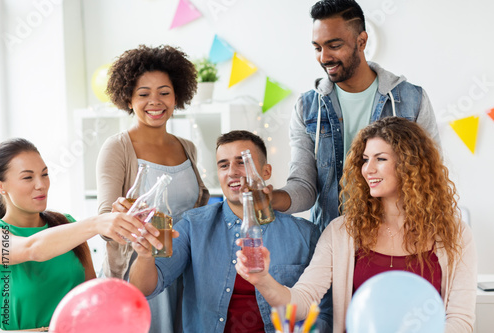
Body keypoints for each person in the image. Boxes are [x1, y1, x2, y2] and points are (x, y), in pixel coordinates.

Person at [236, 117, 477, 333]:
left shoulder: (454, 233)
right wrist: (263, 280)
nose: (368, 169)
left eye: (380, 159)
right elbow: (302, 301)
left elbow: (460, 319)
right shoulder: (342, 231)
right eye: (364, 160)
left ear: (410, 165)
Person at [126, 130, 327, 332]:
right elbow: (143, 289)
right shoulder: (193, 226)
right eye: (224, 165)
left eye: (242, 162)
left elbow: (324, 311)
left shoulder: (305, 234)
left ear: (265, 172)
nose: (232, 172)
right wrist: (144, 256)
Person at [272, 0, 440, 232]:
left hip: (399, 239)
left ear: (361, 41)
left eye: (334, 45)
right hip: (331, 241)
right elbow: (304, 187)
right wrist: (270, 199)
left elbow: (430, 178)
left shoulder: (412, 100)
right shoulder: (307, 107)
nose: (324, 57)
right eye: (317, 47)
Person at [97, 44, 209, 333]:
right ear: (128, 99)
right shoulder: (117, 148)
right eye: (143, 94)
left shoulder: (188, 148)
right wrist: (119, 214)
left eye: (164, 92)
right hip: (138, 271)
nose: (155, 102)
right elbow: (104, 221)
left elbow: (197, 211)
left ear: (177, 95)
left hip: (183, 269)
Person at [0, 138, 144, 331]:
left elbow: (92, 295)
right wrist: (97, 222)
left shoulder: (66, 224)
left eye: (45, 174)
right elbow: (32, 248)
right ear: (0, 186)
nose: (41, 185)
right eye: (27, 177)